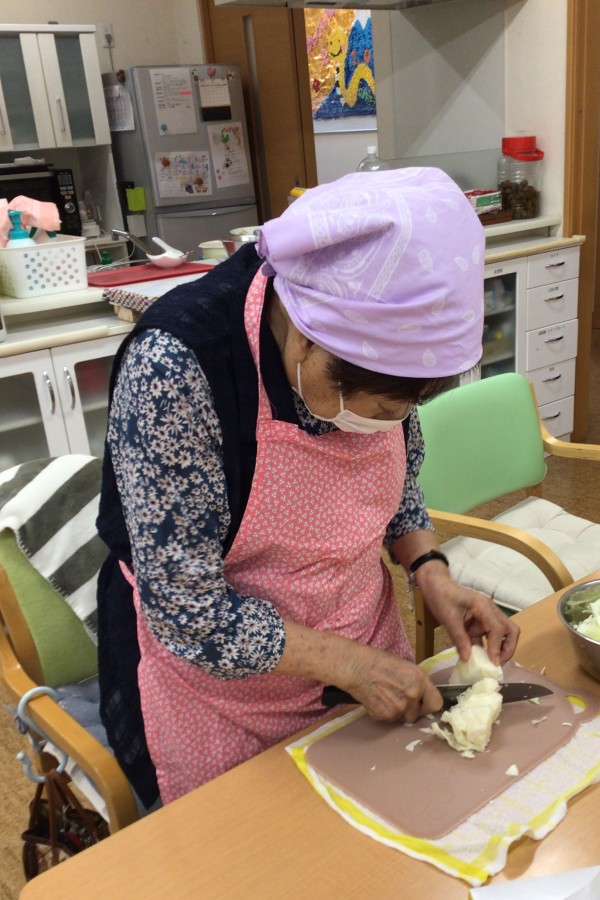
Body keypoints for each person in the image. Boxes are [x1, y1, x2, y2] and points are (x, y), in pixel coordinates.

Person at [97, 168, 519, 807]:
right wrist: (347, 665)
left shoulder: (378, 354)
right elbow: (189, 612)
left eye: (404, 410)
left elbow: (396, 483)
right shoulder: (177, 368)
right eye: (377, 408)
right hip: (223, 698)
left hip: (365, 655)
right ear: (304, 334)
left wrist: (430, 570)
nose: (386, 425)